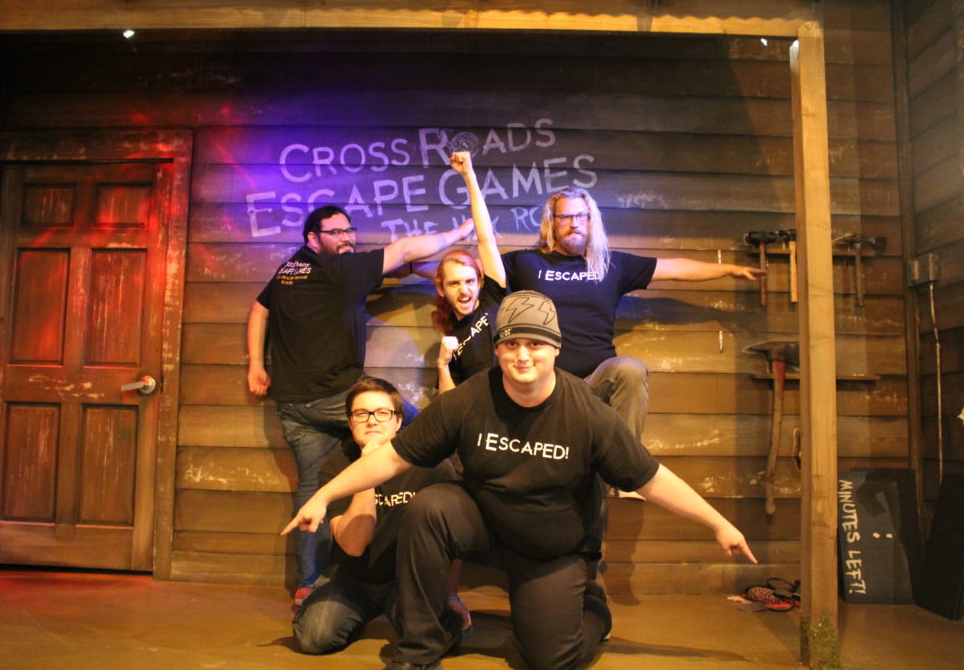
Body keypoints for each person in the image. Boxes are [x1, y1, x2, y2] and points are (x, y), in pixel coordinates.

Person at [283, 291, 758, 670]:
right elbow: (393, 457)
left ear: (555, 348)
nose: (522, 355)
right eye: (511, 343)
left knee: (549, 659)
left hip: (552, 547)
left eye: (534, 343)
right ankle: (418, 652)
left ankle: (589, 605)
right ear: (498, 349)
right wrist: (325, 495)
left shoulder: (586, 413)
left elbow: (651, 478)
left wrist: (719, 524)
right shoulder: (470, 399)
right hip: (486, 526)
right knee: (430, 506)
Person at [247, 204, 474, 606]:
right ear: (313, 239)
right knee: (430, 430)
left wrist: (255, 364)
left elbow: (259, 309)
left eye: (350, 231)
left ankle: (307, 585)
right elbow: (404, 251)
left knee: (313, 490)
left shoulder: (290, 270)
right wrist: (458, 233)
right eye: (336, 233)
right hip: (336, 395)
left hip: (293, 403)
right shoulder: (339, 270)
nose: (347, 239)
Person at [502, 187, 765, 442]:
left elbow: (674, 269)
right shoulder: (527, 262)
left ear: (591, 221)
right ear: (552, 222)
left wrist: (729, 269)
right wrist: (459, 233)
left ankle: (624, 471)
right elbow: (472, 269)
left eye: (582, 216)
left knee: (630, 369)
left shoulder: (610, 264)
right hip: (543, 381)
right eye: (566, 216)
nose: (575, 223)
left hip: (595, 380)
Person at [293, 377, 469, 655]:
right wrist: (367, 469)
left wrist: (449, 594)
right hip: (353, 577)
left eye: (382, 413)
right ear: (350, 423)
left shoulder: (431, 465)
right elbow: (353, 545)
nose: (371, 421)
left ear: (399, 421)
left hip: (410, 580)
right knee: (314, 638)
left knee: (439, 638)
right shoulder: (336, 466)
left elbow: (455, 540)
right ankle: (355, 611)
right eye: (361, 414)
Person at [432, 151, 506, 393]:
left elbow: (486, 240)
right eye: (454, 284)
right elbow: (447, 406)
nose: (464, 290)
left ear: (480, 282)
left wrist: (469, 176)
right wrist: (443, 364)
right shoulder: (451, 340)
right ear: (441, 289)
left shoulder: (493, 299)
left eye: (469, 281)